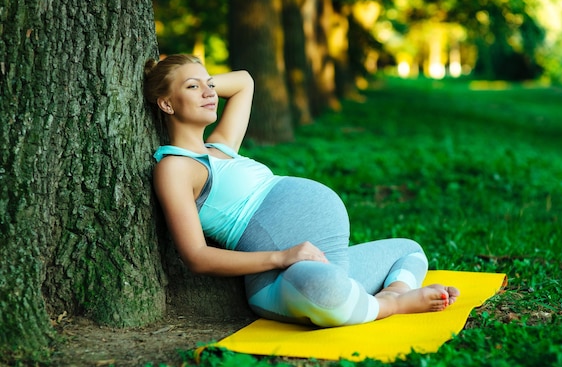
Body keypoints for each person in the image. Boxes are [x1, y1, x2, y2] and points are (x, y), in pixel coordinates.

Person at [143, 54, 459, 328]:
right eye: (192, 87)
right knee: (326, 287)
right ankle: (392, 305)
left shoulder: (222, 146)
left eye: (210, 84)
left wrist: (195, 79)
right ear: (166, 103)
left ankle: (389, 293)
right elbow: (197, 257)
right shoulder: (175, 167)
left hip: (323, 260)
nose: (209, 92)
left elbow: (244, 82)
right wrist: (283, 257)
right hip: (285, 279)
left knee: (408, 249)